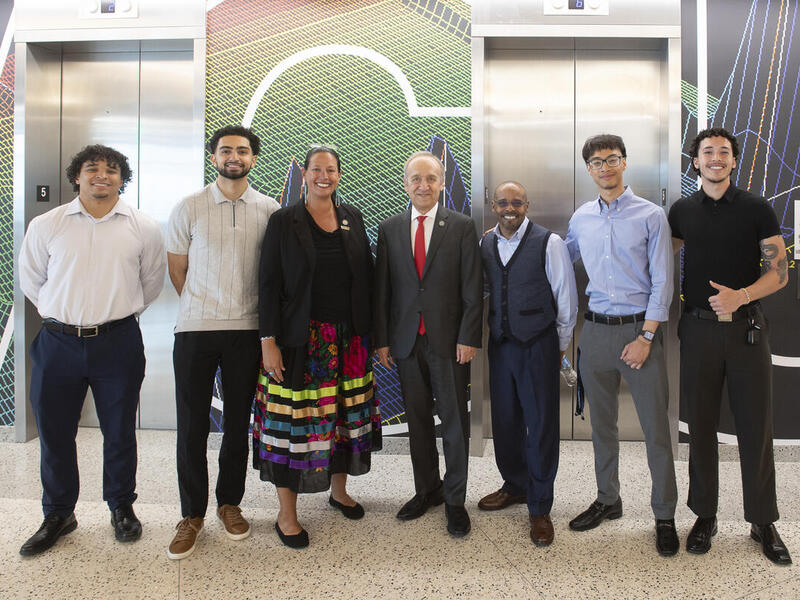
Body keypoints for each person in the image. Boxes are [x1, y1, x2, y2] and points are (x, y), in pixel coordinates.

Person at [18, 145, 165, 556]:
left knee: (119, 431)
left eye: (112, 170)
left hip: (117, 342)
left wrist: (114, 315)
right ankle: (59, 512)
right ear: (76, 176)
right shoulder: (48, 224)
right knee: (54, 431)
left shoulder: (143, 227)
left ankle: (121, 507)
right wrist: (61, 315)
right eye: (93, 169)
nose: (103, 176)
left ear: (123, 178)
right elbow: (32, 279)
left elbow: (150, 283)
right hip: (57, 342)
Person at [669, 127, 791, 565]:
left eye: (724, 152)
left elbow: (780, 272)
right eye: (707, 152)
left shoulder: (757, 208)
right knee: (700, 426)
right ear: (696, 161)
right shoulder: (681, 210)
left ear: (734, 161)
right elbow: (664, 260)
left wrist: (742, 295)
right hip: (697, 331)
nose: (716, 158)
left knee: (756, 428)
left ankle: (763, 520)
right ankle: (705, 515)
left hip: (746, 330)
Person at [254, 145, 381, 548]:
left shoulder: (353, 218)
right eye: (316, 170)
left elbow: (368, 278)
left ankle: (338, 492)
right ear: (304, 175)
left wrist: (373, 336)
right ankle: (286, 515)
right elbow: (269, 283)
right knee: (295, 423)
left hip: (350, 340)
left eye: (331, 170)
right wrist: (268, 342)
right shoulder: (283, 220)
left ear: (339, 175)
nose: (323, 176)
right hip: (300, 341)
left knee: (343, 418)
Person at [165, 126, 280, 560]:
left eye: (243, 150)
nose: (235, 156)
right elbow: (179, 270)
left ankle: (229, 503)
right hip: (195, 329)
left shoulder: (269, 209)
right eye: (226, 150)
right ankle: (191, 514)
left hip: (247, 330)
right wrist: (203, 307)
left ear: (254, 157)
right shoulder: (189, 207)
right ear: (214, 157)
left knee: (237, 423)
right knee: (192, 425)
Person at [565, 134, 679, 557]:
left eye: (611, 159)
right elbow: (558, 258)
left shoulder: (651, 216)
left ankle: (664, 514)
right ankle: (608, 500)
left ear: (625, 163)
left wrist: (646, 337)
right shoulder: (580, 218)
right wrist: (509, 234)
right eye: (596, 162)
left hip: (640, 332)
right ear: (589, 169)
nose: (604, 167)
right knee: (602, 427)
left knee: (655, 431)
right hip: (594, 333)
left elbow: (663, 281)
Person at [374, 151, 482, 538]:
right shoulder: (389, 228)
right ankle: (427, 491)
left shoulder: (462, 226)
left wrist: (470, 337)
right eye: (416, 179)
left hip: (449, 342)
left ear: (441, 182)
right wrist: (383, 341)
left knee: (453, 423)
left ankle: (455, 500)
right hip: (405, 342)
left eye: (431, 179)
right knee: (417, 422)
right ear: (406, 184)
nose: (424, 185)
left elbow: (473, 287)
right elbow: (383, 289)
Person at [478, 181, 577, 546]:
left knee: (541, 426)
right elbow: (486, 289)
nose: (509, 208)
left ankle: (540, 505)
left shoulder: (549, 243)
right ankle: (515, 485)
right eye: (502, 202)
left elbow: (566, 300)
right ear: (493, 205)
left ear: (527, 204)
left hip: (539, 346)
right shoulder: (485, 243)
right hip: (502, 346)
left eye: (516, 202)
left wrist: (558, 348)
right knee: (505, 423)